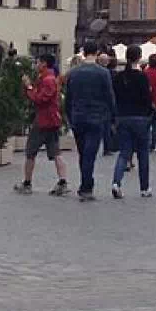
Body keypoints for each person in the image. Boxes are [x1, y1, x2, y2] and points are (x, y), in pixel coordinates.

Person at [64, 41, 116, 202]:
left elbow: (68, 97)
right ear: (97, 52)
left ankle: (85, 183)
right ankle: (86, 186)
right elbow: (109, 96)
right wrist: (113, 117)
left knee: (82, 152)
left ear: (84, 53)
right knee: (90, 153)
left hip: (78, 117)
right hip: (96, 117)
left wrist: (69, 116)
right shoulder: (103, 73)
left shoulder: (73, 73)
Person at [14, 54, 70, 196]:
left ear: (44, 63)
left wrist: (29, 87)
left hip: (44, 120)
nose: (36, 65)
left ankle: (27, 183)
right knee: (55, 152)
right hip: (51, 121)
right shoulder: (47, 78)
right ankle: (62, 182)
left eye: (38, 62)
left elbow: (40, 99)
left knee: (31, 151)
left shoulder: (48, 80)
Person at [111, 46, 154, 199]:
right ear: (139, 57)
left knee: (124, 153)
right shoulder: (142, 77)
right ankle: (144, 188)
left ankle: (116, 182)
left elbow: (114, 97)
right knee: (143, 153)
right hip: (140, 117)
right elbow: (147, 98)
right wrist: (150, 114)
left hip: (123, 117)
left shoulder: (118, 77)